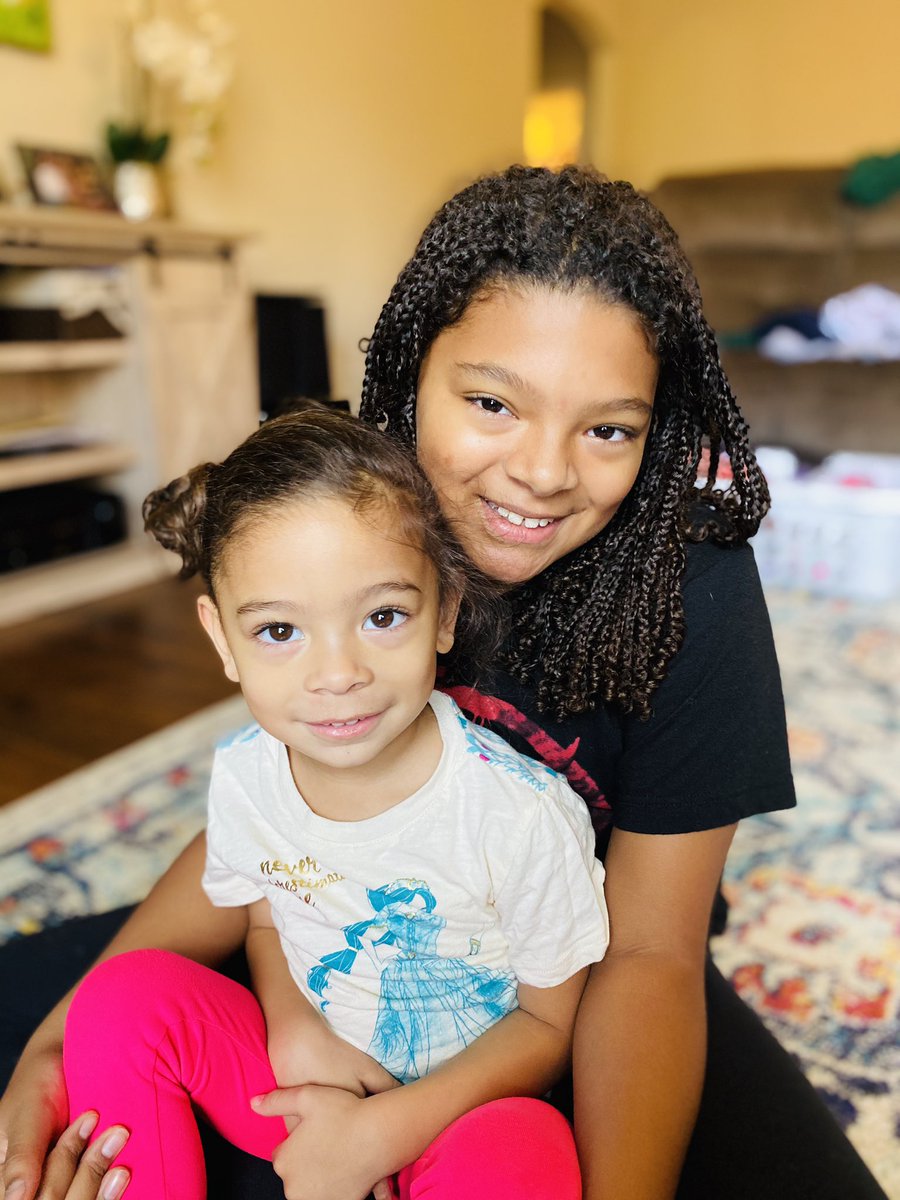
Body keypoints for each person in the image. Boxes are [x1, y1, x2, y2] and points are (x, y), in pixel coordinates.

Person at [0, 164, 888, 1200]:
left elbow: (649, 952)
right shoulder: (354, 502)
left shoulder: (691, 583)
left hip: (572, 975)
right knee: (49, 1041)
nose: (544, 472)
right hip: (341, 919)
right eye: (490, 403)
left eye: (608, 428)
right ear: (411, 373)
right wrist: (55, 1042)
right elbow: (277, 814)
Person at [61, 408, 609, 1200]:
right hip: (303, 1086)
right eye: (280, 630)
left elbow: (549, 1029)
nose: (337, 673)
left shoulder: (519, 814)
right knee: (118, 997)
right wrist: (292, 1027)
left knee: (531, 1146)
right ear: (221, 639)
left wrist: (382, 1134)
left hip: (457, 1113)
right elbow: (262, 914)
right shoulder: (250, 775)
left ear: (446, 609)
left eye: (383, 617)